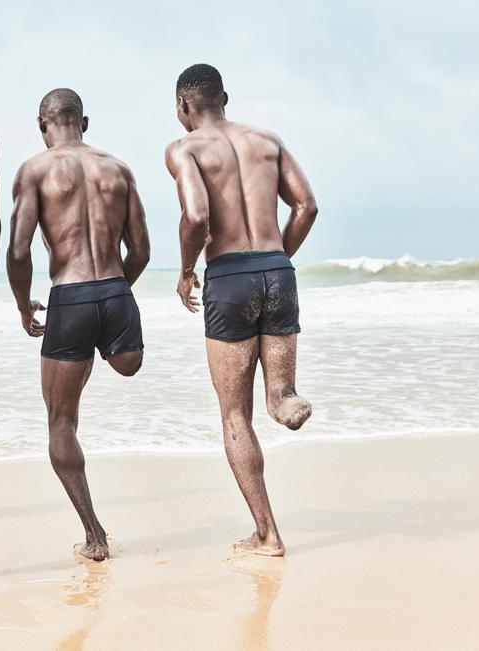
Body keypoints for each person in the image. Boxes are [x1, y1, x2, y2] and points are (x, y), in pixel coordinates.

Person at [165, 64, 318, 556]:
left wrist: (187, 268)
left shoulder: (184, 148)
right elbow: (306, 206)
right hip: (277, 270)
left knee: (235, 415)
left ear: (183, 108)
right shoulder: (268, 140)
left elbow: (196, 215)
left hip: (229, 276)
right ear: (224, 97)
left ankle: (267, 535)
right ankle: (285, 399)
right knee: (276, 395)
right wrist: (277, 262)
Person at [7, 88, 150, 561]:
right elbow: (142, 252)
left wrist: (25, 308)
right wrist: (114, 296)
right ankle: (107, 349)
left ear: (42, 125)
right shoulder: (118, 169)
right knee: (125, 365)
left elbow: (19, 251)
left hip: (68, 296)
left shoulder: (35, 170)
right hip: (116, 294)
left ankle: (95, 536)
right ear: (83, 122)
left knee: (60, 422)